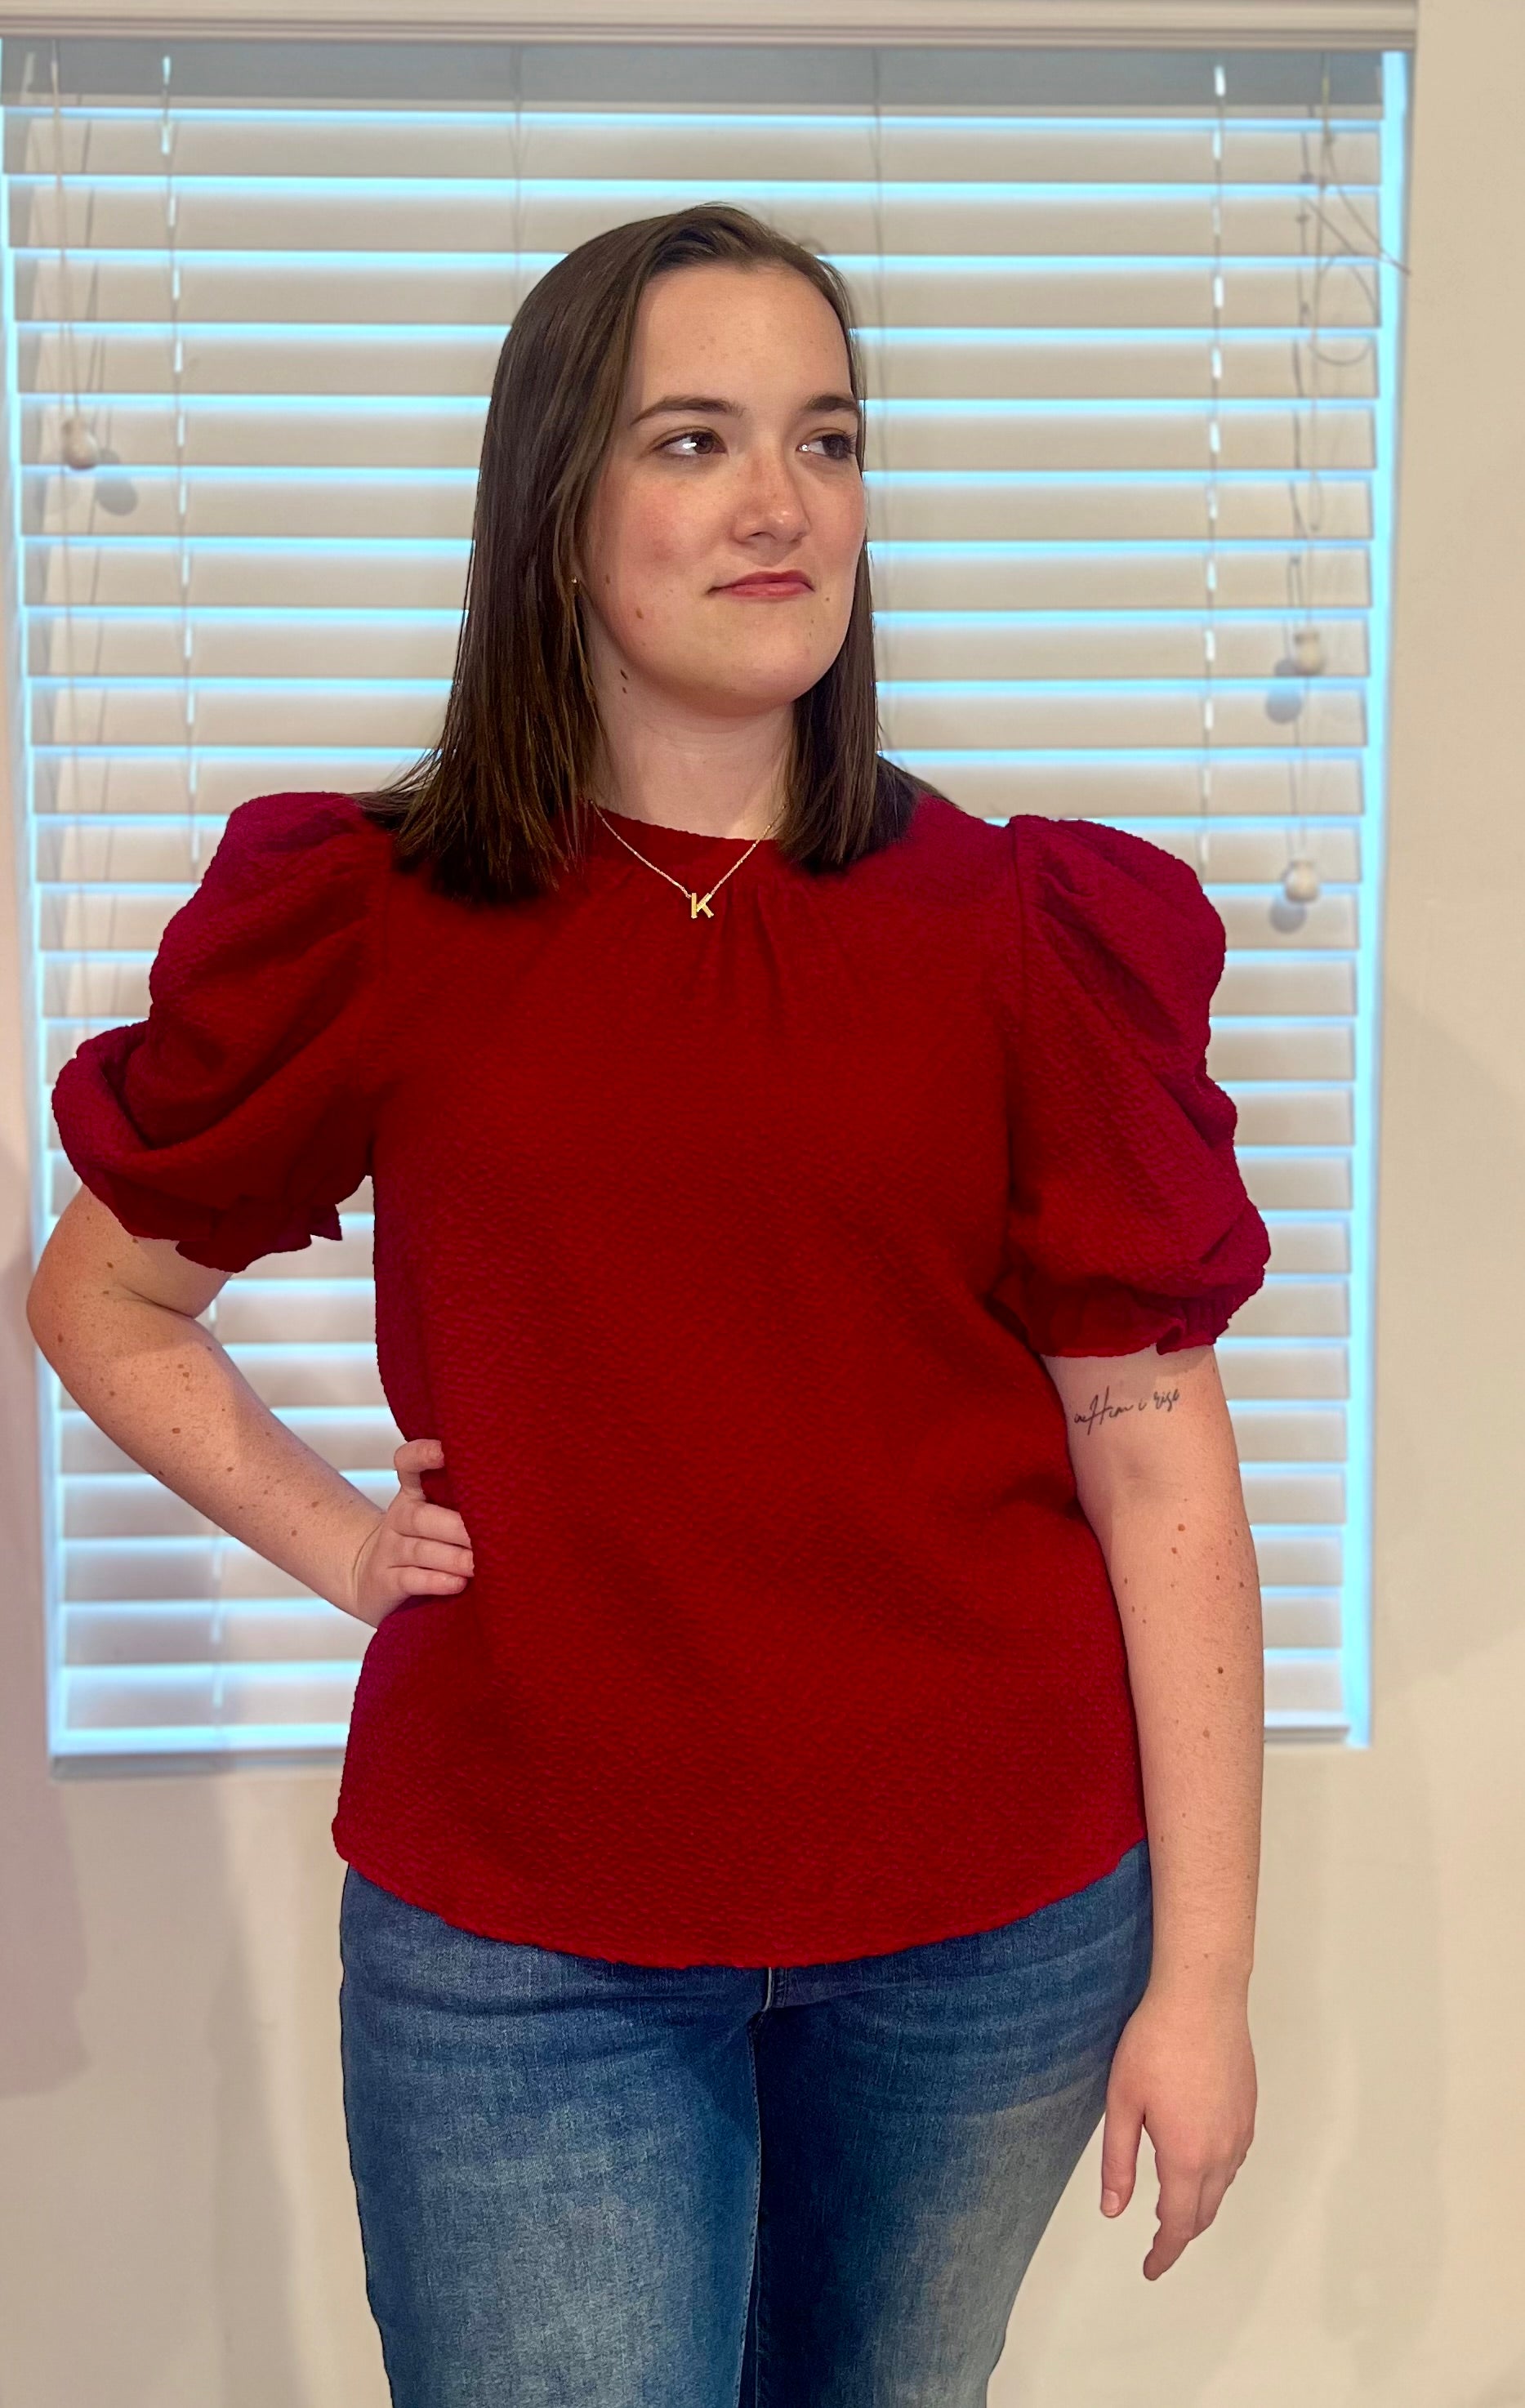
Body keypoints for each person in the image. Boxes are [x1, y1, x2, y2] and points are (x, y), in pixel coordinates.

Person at [31, 203, 1273, 2406]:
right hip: (524, 1940)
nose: (779, 501)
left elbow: (1153, 1442)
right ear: (556, 499)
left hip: (985, 1931)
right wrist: (341, 1542)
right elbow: (105, 1298)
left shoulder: (1013, 931)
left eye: (827, 438)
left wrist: (1205, 1980)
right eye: (692, 438)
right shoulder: (382, 921)